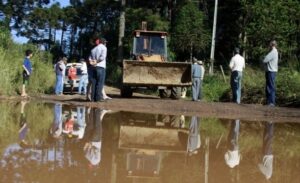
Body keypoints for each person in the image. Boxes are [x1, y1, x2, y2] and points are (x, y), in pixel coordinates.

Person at [89, 37, 108, 102]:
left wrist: (92, 62)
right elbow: (102, 57)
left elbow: (90, 59)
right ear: (103, 42)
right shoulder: (104, 48)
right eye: (105, 42)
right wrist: (97, 61)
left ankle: (92, 98)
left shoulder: (93, 49)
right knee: (100, 83)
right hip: (101, 67)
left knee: (94, 83)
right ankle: (98, 98)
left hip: (93, 67)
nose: (106, 43)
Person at [263, 40, 278, 106]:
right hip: (272, 71)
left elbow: (265, 60)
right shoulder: (275, 51)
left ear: (272, 45)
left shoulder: (273, 52)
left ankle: (271, 102)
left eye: (270, 45)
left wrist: (264, 57)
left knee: (270, 86)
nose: (269, 46)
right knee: (270, 86)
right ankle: (270, 102)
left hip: (271, 71)